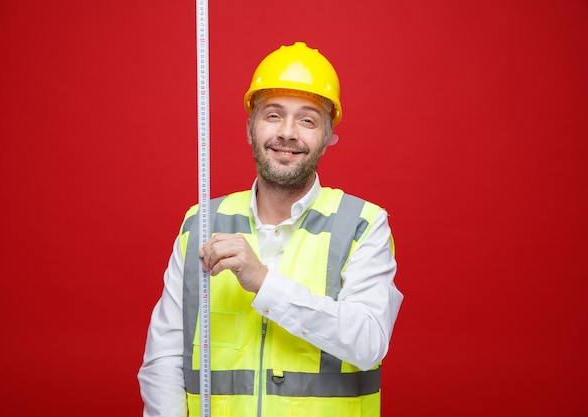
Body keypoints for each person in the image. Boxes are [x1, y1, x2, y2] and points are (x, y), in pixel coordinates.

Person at [138, 41, 403, 417]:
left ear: (327, 138)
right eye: (273, 116)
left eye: (307, 120)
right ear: (250, 128)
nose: (288, 133)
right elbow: (163, 361)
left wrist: (264, 282)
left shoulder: (363, 225)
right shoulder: (201, 224)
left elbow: (368, 342)